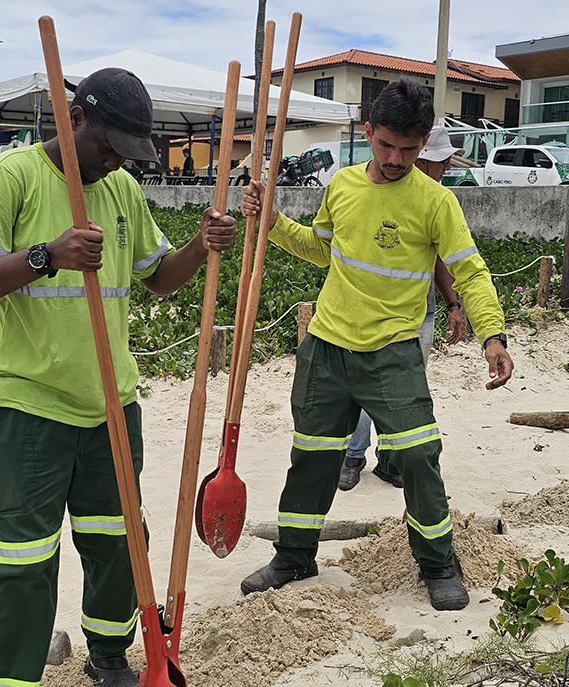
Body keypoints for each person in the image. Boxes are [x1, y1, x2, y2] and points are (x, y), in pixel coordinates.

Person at [0, 68, 238, 687]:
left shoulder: (121, 190)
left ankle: (110, 657)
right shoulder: (9, 176)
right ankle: (9, 679)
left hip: (111, 406)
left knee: (119, 547)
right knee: (23, 564)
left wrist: (200, 246)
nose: (113, 163)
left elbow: (159, 277)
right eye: (107, 147)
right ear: (75, 119)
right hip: (29, 408)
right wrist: (47, 256)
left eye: (127, 154)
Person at [239, 79, 513, 611]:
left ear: (424, 141)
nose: (395, 158)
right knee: (312, 456)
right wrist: (271, 222)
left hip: (392, 352)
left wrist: (492, 335)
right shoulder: (341, 185)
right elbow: (320, 250)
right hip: (326, 348)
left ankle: (437, 563)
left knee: (417, 454)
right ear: (368, 132)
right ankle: (295, 556)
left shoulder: (436, 202)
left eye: (409, 149)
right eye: (386, 145)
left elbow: (470, 273)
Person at [340, 126, 467, 491]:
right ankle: (352, 454)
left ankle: (390, 459)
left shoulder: (436, 201)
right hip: (370, 314)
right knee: (366, 388)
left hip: (419, 313)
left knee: (405, 389)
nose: (444, 170)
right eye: (442, 163)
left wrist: (453, 303)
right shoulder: (372, 190)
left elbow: (442, 259)